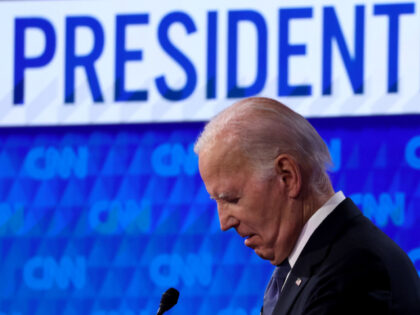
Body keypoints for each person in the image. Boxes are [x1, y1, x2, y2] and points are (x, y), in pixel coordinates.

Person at [194, 97, 420, 315]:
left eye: (232, 199)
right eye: (217, 202)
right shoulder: (306, 266)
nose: (224, 222)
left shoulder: (355, 271)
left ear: (287, 176)